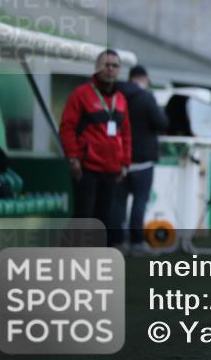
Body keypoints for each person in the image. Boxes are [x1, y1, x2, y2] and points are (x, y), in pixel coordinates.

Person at [59, 49, 131, 246]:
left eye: (114, 65)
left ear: (119, 70)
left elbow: (125, 134)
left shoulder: (121, 99)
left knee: (104, 220)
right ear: (97, 68)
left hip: (111, 170)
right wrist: (73, 158)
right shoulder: (81, 95)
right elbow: (67, 128)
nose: (110, 69)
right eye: (106, 65)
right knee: (83, 217)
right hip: (86, 168)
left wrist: (125, 163)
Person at [115, 65, 169, 255]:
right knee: (139, 202)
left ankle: (117, 242)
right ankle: (137, 243)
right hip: (142, 161)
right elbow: (162, 123)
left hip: (118, 159)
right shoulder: (147, 98)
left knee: (118, 204)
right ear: (144, 79)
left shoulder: (115, 96)